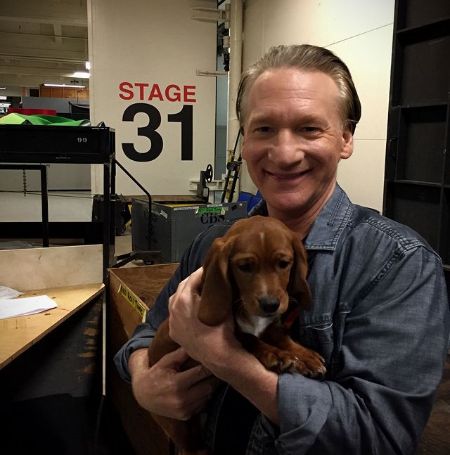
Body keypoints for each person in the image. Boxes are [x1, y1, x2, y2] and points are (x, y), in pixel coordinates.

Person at [114, 44, 450, 454]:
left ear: (346, 138)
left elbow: (379, 437)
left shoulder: (400, 264)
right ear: (244, 140)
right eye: (264, 129)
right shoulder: (213, 243)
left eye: (309, 129)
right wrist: (144, 382)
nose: (285, 154)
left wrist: (227, 360)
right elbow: (147, 333)